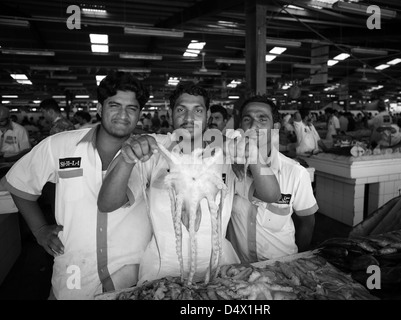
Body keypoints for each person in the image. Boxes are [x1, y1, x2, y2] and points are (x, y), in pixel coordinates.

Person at [97, 82, 280, 285]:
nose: (189, 118)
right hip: (162, 271)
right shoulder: (153, 150)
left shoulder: (226, 151)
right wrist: (127, 158)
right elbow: (107, 203)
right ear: (170, 112)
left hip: (220, 268)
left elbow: (271, 195)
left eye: (198, 110)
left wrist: (252, 154)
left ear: (208, 114)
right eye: (181, 110)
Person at [1, 72, 152, 299]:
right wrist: (40, 230)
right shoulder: (61, 145)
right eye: (114, 105)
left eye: (132, 108)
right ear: (100, 109)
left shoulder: (149, 154)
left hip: (132, 274)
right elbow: (18, 182)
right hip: (75, 272)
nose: (123, 115)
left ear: (139, 114)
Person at [227, 95, 318, 264]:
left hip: (281, 267)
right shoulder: (228, 168)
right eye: (247, 119)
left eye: (262, 119)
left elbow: (307, 222)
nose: (254, 126)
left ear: (275, 127)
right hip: (238, 268)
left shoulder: (295, 173)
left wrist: (297, 261)